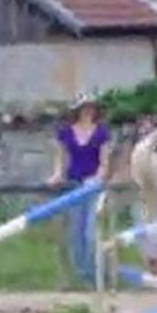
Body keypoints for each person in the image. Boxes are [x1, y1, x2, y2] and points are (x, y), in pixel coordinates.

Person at [48, 93, 111, 285]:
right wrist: (57, 175)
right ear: (78, 111)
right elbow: (60, 158)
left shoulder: (101, 132)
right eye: (84, 108)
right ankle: (82, 274)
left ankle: (96, 273)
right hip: (73, 184)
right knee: (76, 232)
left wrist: (98, 179)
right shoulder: (66, 132)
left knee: (90, 233)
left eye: (91, 108)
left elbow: (104, 162)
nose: (88, 111)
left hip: (91, 185)